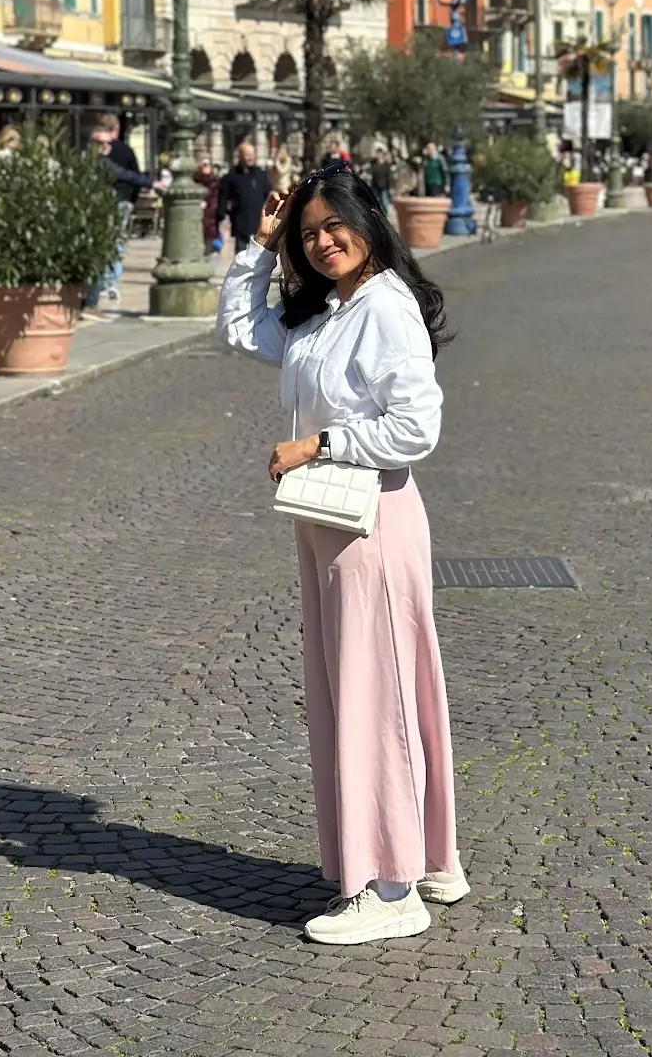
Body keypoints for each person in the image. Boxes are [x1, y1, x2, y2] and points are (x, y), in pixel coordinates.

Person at [216, 162, 464, 946]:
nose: (322, 242)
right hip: (329, 520)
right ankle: (430, 857)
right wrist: (260, 249)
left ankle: (391, 889)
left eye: (334, 226)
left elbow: (416, 427)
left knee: (371, 696)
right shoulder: (329, 309)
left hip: (371, 521)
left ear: (369, 220)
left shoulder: (385, 306)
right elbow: (238, 328)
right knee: (380, 688)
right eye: (309, 231)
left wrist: (322, 442)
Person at [91, 113, 154, 302]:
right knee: (117, 241)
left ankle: (103, 282)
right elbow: (133, 175)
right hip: (123, 199)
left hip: (100, 201)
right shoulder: (126, 150)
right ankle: (112, 282)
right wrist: (133, 199)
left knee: (103, 241)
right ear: (116, 129)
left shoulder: (94, 150)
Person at [216, 140, 271, 255]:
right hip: (240, 221)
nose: (250, 158)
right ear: (240, 156)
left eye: (252, 155)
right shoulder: (232, 176)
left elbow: (267, 193)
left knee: (258, 256)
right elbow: (223, 196)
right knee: (241, 255)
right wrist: (222, 214)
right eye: (247, 155)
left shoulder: (260, 174)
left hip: (258, 221)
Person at [368, 146, 394, 215]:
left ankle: (386, 215)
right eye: (377, 154)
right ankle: (381, 215)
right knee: (378, 202)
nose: (378, 155)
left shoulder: (386, 165)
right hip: (375, 186)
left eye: (380, 154)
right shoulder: (374, 164)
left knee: (385, 202)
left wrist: (391, 187)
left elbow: (389, 177)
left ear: (382, 154)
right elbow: (372, 176)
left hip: (384, 186)